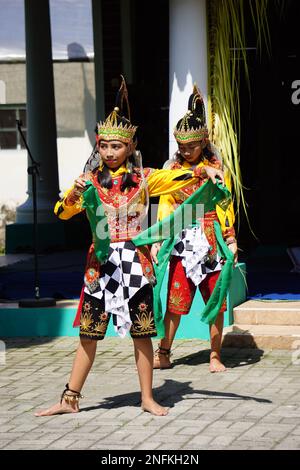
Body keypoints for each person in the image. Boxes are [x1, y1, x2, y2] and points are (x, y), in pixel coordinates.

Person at [35, 77, 223, 417]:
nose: (109, 152)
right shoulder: (90, 182)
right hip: (100, 265)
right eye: (104, 145)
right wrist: (75, 192)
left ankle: (148, 398)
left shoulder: (145, 177)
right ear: (98, 145)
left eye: (116, 146)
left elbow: (179, 177)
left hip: (136, 263)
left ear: (130, 145)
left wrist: (204, 173)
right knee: (89, 334)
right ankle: (69, 399)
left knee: (142, 333)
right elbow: (62, 212)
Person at [151, 84, 238, 373]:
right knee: (175, 300)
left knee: (217, 301)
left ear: (204, 143)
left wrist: (231, 238)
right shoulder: (171, 171)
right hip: (181, 240)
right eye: (182, 147)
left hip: (212, 239)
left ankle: (215, 355)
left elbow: (225, 205)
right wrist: (157, 239)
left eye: (192, 146)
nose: (186, 151)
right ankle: (164, 351)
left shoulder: (216, 167)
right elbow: (165, 205)